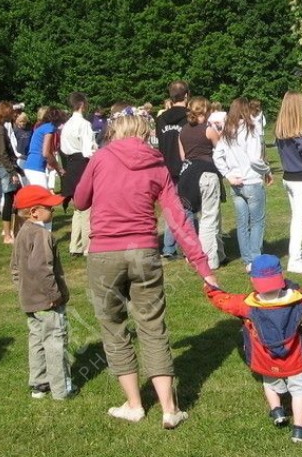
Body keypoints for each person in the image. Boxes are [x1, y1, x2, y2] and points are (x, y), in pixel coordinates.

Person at [73, 104, 218, 423]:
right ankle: (169, 409)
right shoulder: (158, 164)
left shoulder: (100, 158)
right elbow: (178, 219)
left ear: (114, 130)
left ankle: (135, 405)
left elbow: (80, 200)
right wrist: (203, 267)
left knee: (113, 326)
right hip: (145, 252)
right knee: (153, 326)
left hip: (105, 253)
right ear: (144, 131)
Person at [204, 254, 302, 443]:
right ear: (280, 278)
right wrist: (289, 284)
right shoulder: (298, 300)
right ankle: (299, 430)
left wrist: (211, 288)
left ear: (254, 281)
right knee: (299, 392)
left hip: (265, 359)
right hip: (295, 359)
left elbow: (223, 301)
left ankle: (277, 411)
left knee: (270, 383)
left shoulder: (246, 305)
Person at [9, 184, 72, 401]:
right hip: (47, 302)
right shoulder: (43, 235)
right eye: (49, 207)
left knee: (36, 339)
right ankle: (60, 390)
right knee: (54, 340)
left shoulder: (21, 234)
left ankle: (39, 383)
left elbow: (15, 269)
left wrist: (23, 290)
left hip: (29, 300)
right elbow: (43, 269)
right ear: (34, 211)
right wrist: (54, 296)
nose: (53, 211)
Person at [214, 97, 273, 272]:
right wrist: (267, 171)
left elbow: (217, 156)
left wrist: (228, 175)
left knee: (242, 222)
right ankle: (255, 259)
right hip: (252, 181)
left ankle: (248, 259)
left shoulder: (227, 131)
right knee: (257, 222)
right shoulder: (250, 129)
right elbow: (256, 159)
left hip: (237, 183)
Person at [177, 96, 224, 270]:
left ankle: (218, 253)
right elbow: (220, 152)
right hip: (207, 173)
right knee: (209, 218)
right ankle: (208, 260)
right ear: (205, 110)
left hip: (188, 175)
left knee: (197, 216)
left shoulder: (182, 131)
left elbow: (183, 157)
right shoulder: (209, 129)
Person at [275, 91, 302, 276]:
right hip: (299, 179)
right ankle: (295, 260)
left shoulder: (281, 132)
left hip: (288, 177)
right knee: (299, 220)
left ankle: (301, 254)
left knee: (298, 218)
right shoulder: (298, 134)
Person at [59, 92, 98, 256]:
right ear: (82, 104)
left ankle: (75, 245)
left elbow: (62, 148)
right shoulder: (84, 124)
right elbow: (88, 150)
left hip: (70, 164)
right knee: (87, 206)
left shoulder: (66, 125)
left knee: (78, 208)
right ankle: (88, 247)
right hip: (82, 164)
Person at [156, 82, 190, 260]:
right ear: (186, 96)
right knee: (187, 209)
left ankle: (169, 247)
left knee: (172, 208)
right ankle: (182, 247)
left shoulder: (161, 119)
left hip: (165, 166)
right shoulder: (189, 117)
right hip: (185, 166)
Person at [0, 100, 25, 245]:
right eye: (11, 111)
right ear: (5, 112)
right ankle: (7, 235)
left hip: (8, 166)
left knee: (18, 199)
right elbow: (2, 153)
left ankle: (15, 232)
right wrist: (12, 172)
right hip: (5, 167)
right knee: (9, 200)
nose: (13, 114)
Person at [24, 106, 63, 193]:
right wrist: (59, 169)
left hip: (31, 166)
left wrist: (51, 163)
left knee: (33, 200)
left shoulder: (42, 127)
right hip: (35, 168)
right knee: (44, 198)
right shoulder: (49, 127)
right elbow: (45, 153)